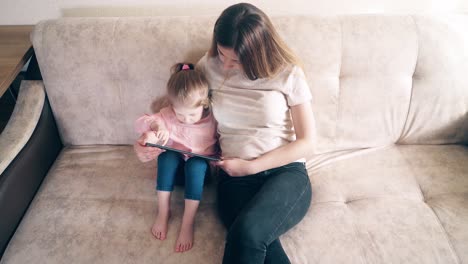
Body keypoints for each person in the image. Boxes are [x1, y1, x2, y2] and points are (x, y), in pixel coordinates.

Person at [135, 3, 314, 262]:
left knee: (249, 233)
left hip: (285, 173)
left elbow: (308, 143)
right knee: (251, 237)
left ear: (257, 53)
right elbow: (181, 108)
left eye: (237, 60)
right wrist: (149, 138)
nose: (227, 66)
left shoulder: (288, 74)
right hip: (233, 180)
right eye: (222, 54)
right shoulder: (207, 66)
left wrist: (252, 167)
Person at [134, 63, 218, 253]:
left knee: (196, 164)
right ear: (172, 106)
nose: (186, 119)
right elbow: (142, 122)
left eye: (192, 115)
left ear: (204, 105)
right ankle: (163, 212)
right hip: (175, 174)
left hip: (199, 176)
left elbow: (224, 143)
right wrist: (155, 130)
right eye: (180, 114)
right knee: (167, 156)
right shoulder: (168, 115)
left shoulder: (213, 119)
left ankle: (187, 222)